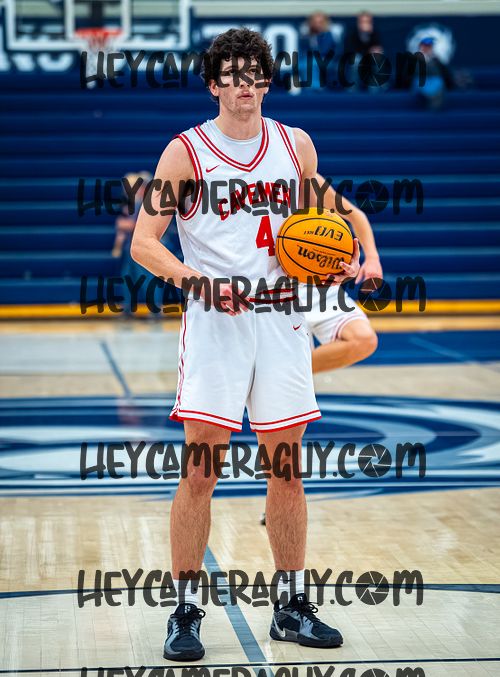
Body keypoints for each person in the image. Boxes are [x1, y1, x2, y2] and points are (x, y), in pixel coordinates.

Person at [131, 27, 360, 661]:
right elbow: (145, 243)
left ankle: (290, 606)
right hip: (216, 324)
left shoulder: (296, 145)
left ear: (266, 80)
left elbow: (318, 224)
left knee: (286, 467)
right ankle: (184, 611)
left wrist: (336, 260)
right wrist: (199, 282)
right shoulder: (186, 153)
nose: (244, 85)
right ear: (214, 85)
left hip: (282, 320)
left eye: (254, 74)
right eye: (232, 75)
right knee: (200, 469)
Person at [304, 174, 379, 373]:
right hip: (273, 286)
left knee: (364, 340)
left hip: (316, 285)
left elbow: (356, 215)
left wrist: (372, 258)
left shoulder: (308, 178)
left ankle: (292, 373)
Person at [414, 37, 454, 110]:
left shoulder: (436, 60)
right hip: (420, 84)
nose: (427, 49)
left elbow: (445, 74)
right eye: (424, 46)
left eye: (429, 47)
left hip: (435, 84)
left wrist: (434, 59)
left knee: (438, 83)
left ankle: (433, 108)